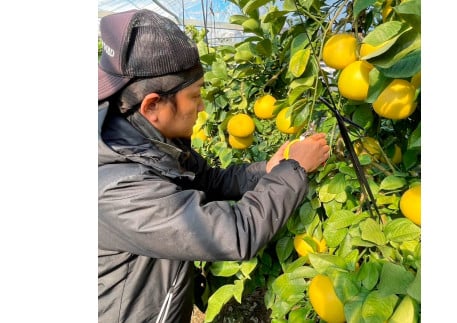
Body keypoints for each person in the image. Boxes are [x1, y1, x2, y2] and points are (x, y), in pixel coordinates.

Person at [98, 8, 330, 323]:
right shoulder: (119, 188)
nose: (202, 105)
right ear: (153, 105)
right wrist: (295, 170)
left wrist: (270, 168)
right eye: (195, 95)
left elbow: (211, 180)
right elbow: (235, 232)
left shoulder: (149, 143)